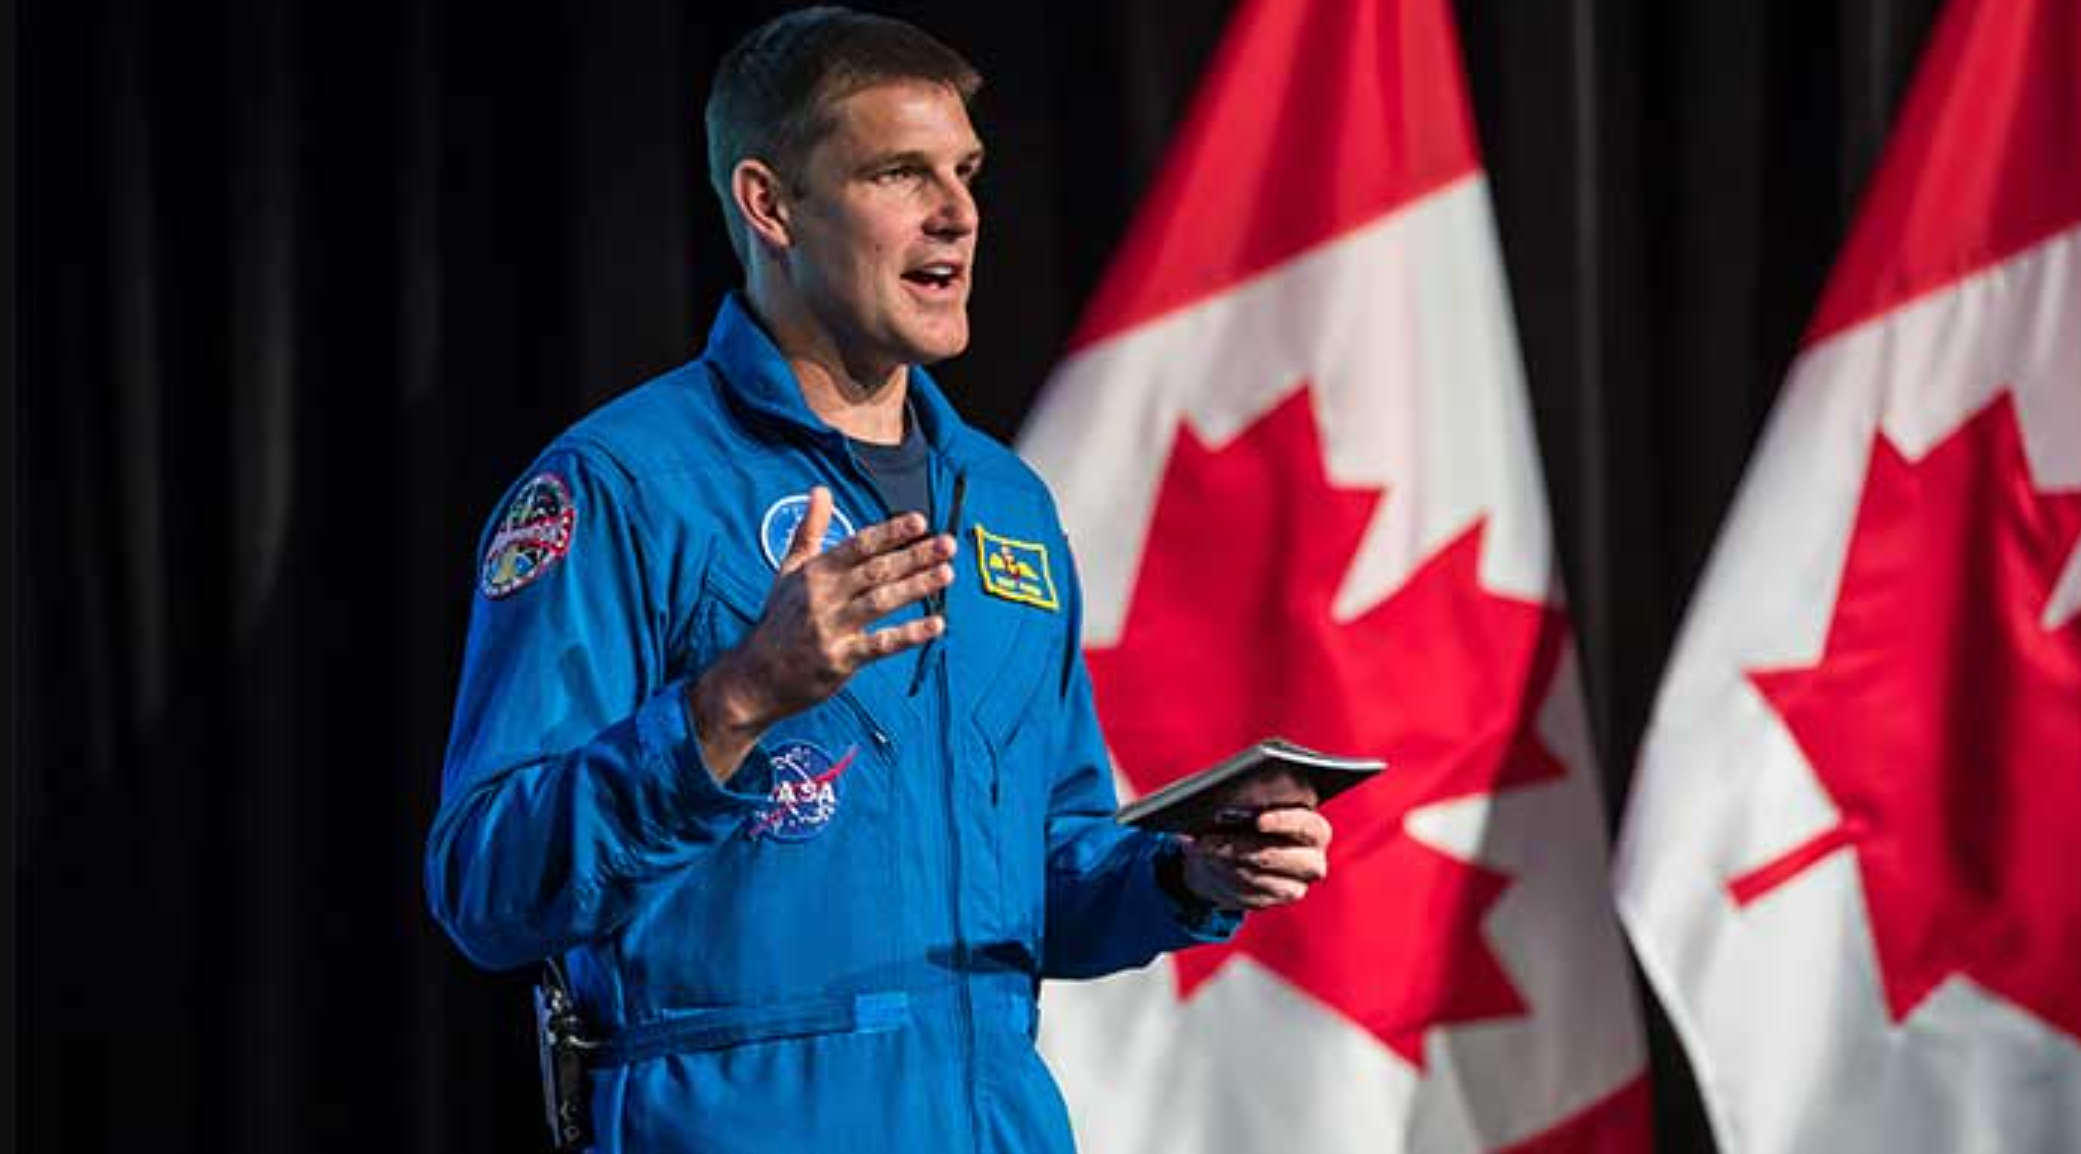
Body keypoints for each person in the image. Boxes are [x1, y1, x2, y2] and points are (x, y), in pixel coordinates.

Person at [425, 8, 1333, 1152]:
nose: (956, 211)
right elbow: (488, 886)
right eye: (900, 172)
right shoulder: (617, 487)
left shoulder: (1004, 504)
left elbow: (1043, 868)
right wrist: (738, 696)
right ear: (770, 204)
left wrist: (1187, 871)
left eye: (964, 172)